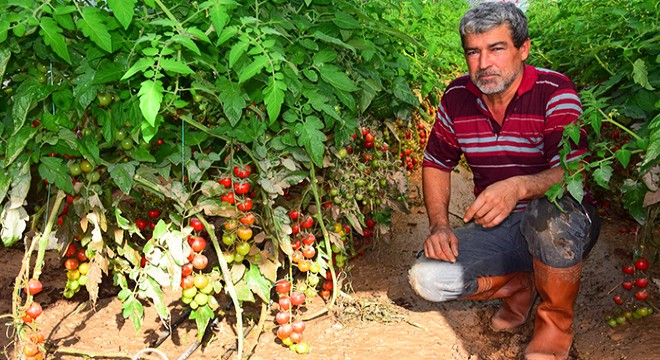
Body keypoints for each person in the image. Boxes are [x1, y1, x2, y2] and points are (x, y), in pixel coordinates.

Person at [407, 2, 601, 360]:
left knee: (547, 217)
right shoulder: (457, 98)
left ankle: (554, 326)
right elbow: (436, 162)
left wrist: (518, 187)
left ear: (523, 49)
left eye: (496, 49)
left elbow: (573, 172)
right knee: (428, 277)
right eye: (473, 52)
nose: (484, 64)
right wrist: (438, 226)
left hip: (564, 222)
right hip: (500, 226)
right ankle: (519, 283)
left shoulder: (554, 91)